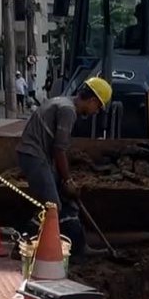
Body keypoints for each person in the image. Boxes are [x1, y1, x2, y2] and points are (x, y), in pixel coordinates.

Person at [15, 76, 112, 260]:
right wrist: (67, 180)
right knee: (52, 207)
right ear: (92, 100)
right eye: (97, 107)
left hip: (40, 156)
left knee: (67, 203)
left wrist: (65, 183)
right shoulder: (68, 111)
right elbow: (59, 149)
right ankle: (22, 244)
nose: (95, 112)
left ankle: (78, 247)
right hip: (34, 156)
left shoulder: (62, 102)